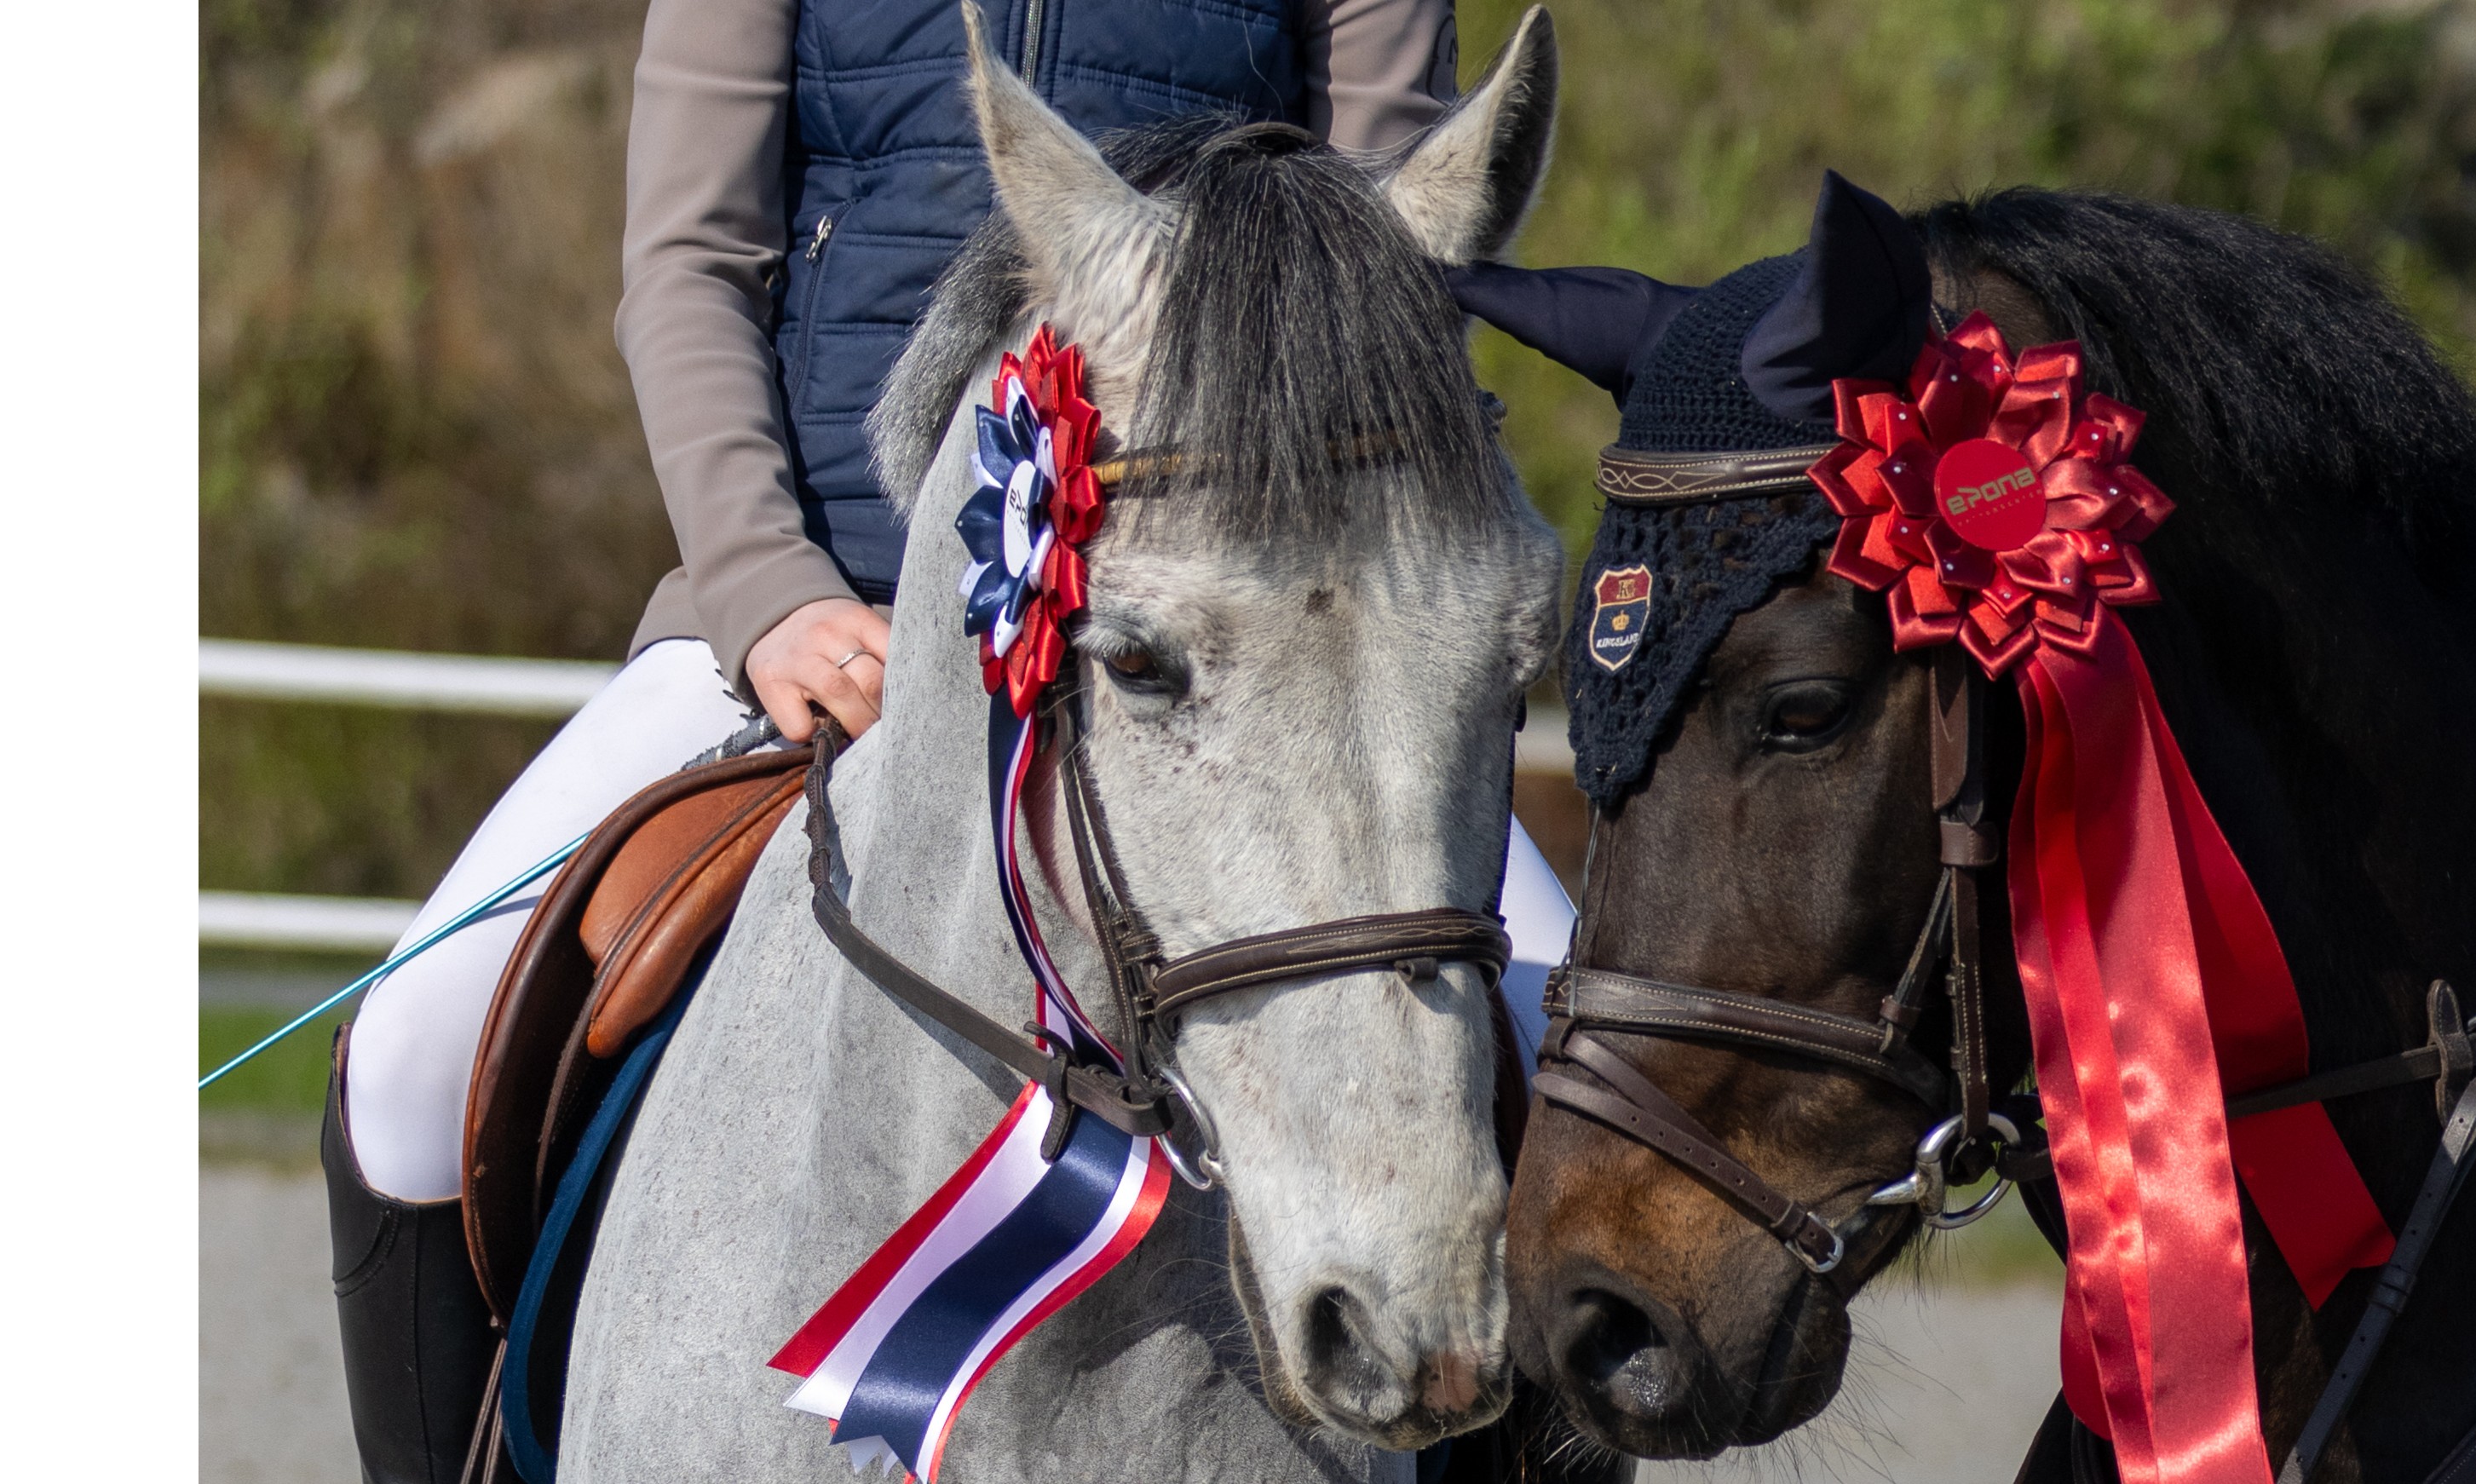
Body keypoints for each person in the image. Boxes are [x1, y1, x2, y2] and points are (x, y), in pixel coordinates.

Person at [312, 3, 1580, 1480]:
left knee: (1567, 1053)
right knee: (411, 1059)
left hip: (1221, 649)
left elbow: (1385, 283)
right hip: (805, 622)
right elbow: (690, 266)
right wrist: (765, 590)